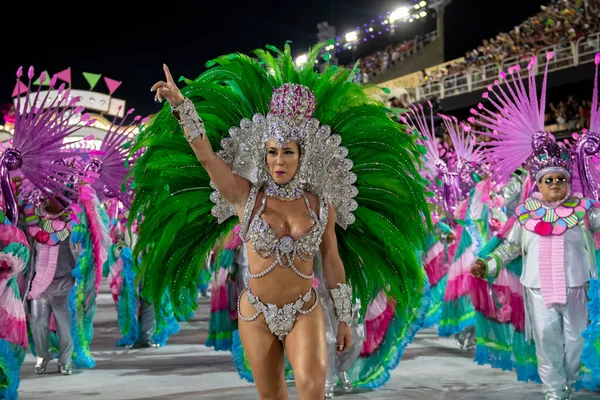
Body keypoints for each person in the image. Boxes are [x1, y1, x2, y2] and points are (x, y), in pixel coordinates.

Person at [133, 43, 430, 399]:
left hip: (305, 309)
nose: (279, 161)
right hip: (256, 313)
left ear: (301, 156)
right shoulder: (245, 196)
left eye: (287, 152)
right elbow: (207, 157)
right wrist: (181, 106)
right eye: (272, 152)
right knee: (272, 395)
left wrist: (345, 316)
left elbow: (332, 263)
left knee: (312, 390)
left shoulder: (321, 206)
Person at [468, 52, 600, 399]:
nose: (555, 184)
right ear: (538, 184)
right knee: (546, 340)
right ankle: (553, 390)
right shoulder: (526, 214)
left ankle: (569, 379)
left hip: (577, 285)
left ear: (568, 181)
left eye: (560, 178)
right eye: (548, 180)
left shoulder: (585, 210)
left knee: (575, 341)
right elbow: (511, 246)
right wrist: (488, 263)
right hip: (538, 288)